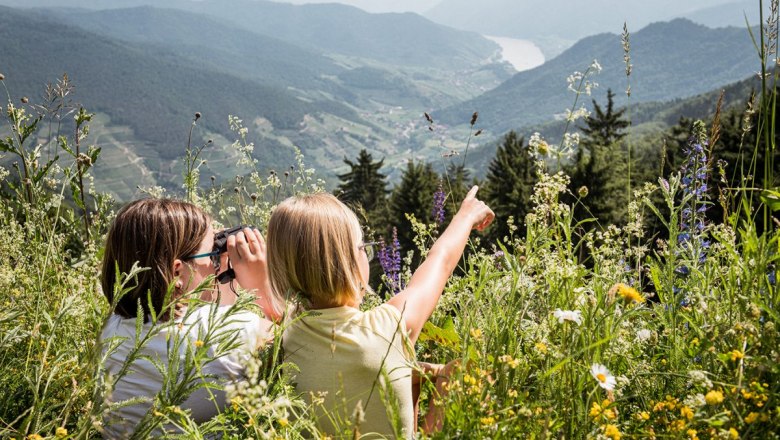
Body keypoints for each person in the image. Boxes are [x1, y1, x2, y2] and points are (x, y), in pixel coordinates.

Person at [267, 186, 493, 438]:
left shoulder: (277, 341)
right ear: (349, 260)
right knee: (462, 370)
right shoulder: (388, 328)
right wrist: (465, 216)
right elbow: (440, 261)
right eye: (363, 247)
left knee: (411, 375)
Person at [98, 198, 276, 438]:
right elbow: (300, 342)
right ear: (177, 271)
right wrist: (262, 287)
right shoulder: (236, 332)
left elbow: (198, 322)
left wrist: (215, 268)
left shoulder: (112, 327)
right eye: (210, 255)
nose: (214, 264)